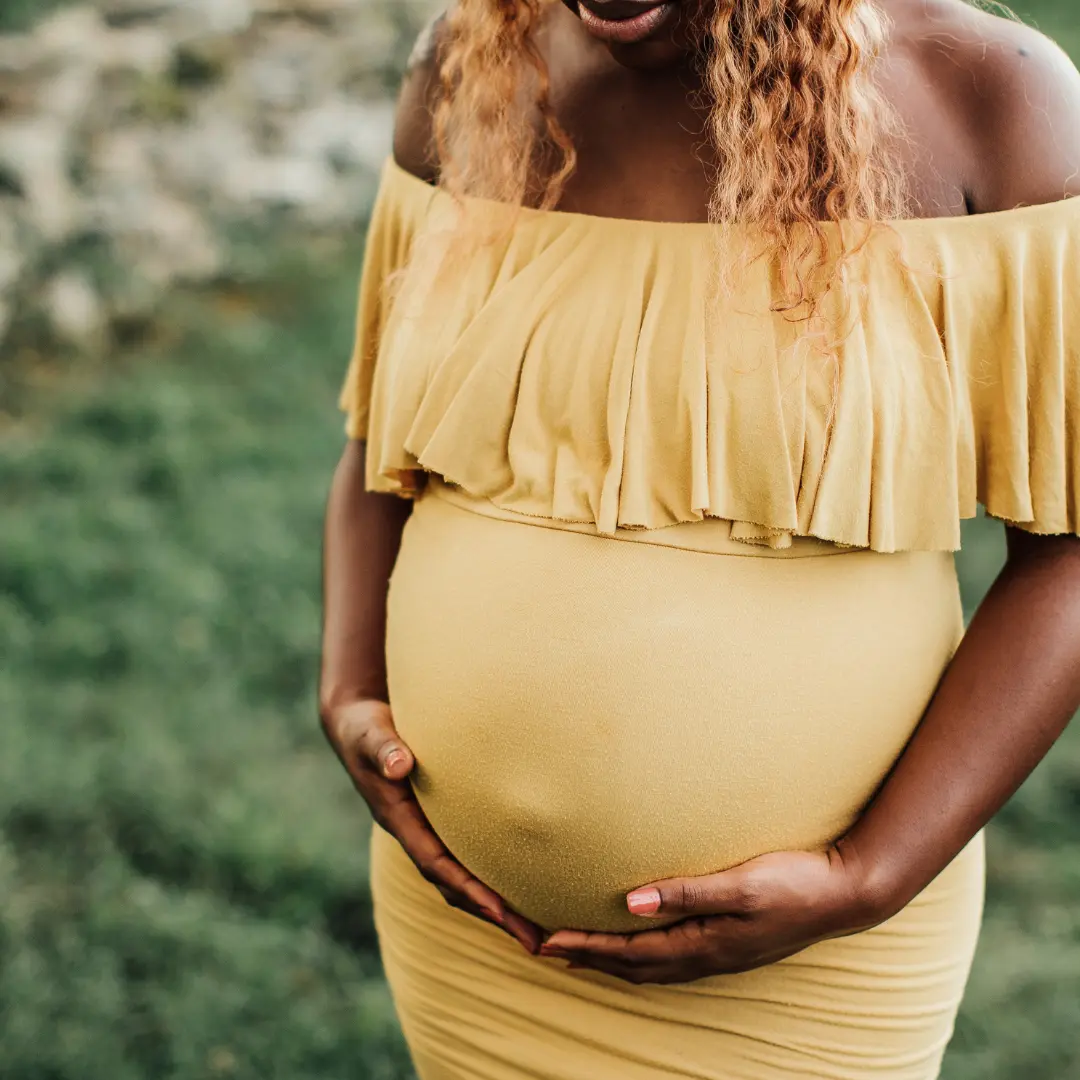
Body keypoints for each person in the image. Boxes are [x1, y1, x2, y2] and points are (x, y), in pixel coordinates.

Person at [319, 1, 1080, 1077]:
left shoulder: (991, 93)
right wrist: (347, 687)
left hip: (808, 963)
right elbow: (375, 444)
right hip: (472, 936)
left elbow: (1072, 550)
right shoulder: (474, 67)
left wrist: (870, 875)